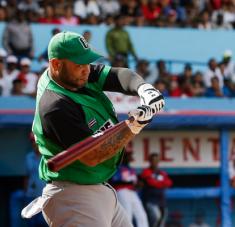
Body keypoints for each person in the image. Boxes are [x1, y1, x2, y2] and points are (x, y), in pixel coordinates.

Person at [21, 31, 165, 227]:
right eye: (79, 65)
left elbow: (118, 76)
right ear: (56, 64)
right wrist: (134, 126)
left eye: (87, 63)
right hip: (74, 196)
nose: (86, 70)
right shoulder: (55, 106)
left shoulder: (73, 75)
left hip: (98, 189)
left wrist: (144, 89)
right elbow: (93, 156)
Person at [111, 144, 149, 227]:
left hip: (132, 192)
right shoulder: (118, 168)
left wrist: (138, 185)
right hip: (122, 191)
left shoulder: (131, 169)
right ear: (124, 156)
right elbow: (114, 182)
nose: (131, 157)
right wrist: (131, 183)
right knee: (127, 214)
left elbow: (135, 183)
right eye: (129, 155)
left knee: (141, 215)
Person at [140, 153, 172, 227]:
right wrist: (161, 183)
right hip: (150, 201)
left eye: (156, 160)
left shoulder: (162, 172)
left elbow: (169, 183)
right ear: (150, 161)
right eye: (153, 160)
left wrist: (157, 183)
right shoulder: (146, 171)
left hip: (161, 200)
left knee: (162, 220)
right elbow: (151, 182)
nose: (155, 162)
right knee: (155, 218)